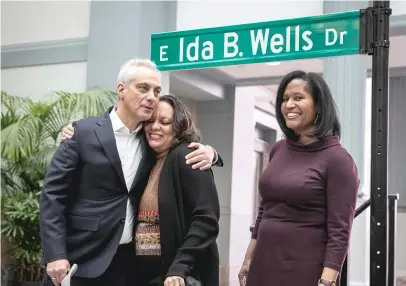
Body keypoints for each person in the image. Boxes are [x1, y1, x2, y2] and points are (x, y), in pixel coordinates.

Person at [40, 58, 223, 286]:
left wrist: (211, 153)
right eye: (143, 88)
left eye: (156, 91)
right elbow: (52, 197)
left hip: (129, 267)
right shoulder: (83, 133)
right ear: (121, 89)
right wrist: (55, 253)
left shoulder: (150, 143)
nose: (151, 97)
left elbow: (182, 150)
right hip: (81, 261)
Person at [238, 70, 359, 286]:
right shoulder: (278, 149)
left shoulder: (338, 159)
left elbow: (340, 231)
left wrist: (327, 281)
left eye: (298, 97)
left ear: (319, 106)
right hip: (263, 263)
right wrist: (249, 258)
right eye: (284, 99)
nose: (288, 105)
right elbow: (265, 210)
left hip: (304, 270)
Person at [133, 94, 220, 286]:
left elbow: (206, 220)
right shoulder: (148, 159)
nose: (155, 127)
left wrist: (180, 266)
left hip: (178, 275)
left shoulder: (188, 156)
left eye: (164, 122)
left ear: (179, 127)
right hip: (147, 274)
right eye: (150, 121)